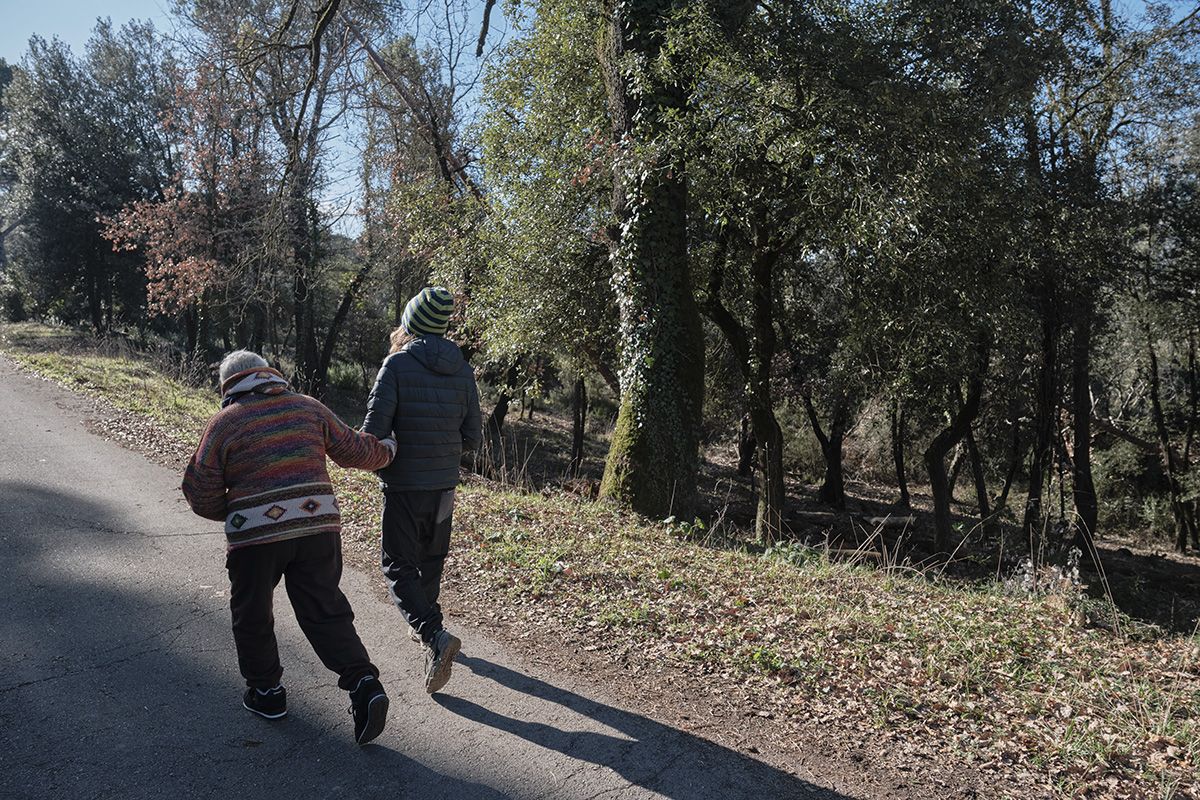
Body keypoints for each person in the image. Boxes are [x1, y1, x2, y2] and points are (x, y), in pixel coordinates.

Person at [182, 350, 396, 745]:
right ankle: (363, 682)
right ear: (270, 375)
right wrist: (389, 449)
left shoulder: (224, 423)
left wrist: (237, 512)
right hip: (318, 528)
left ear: (228, 387)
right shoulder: (308, 407)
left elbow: (198, 492)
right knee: (324, 609)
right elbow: (356, 451)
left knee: (253, 612)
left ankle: (266, 693)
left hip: (256, 540)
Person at [362, 286, 482, 694]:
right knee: (431, 559)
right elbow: (473, 437)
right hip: (444, 486)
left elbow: (374, 433)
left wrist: (395, 446)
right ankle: (431, 634)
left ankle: (433, 635)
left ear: (410, 323)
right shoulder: (463, 371)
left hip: (405, 486)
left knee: (397, 564)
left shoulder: (396, 366)